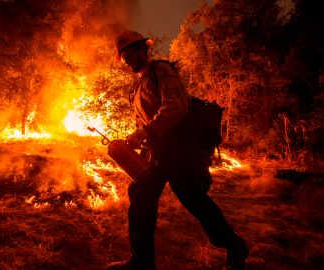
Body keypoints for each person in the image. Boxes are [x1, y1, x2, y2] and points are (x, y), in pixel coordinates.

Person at [106, 30, 249, 270]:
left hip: (179, 151)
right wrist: (137, 138)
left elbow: (176, 107)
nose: (128, 60)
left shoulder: (161, 71)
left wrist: (144, 133)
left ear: (143, 50)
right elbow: (145, 121)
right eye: (124, 56)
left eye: (130, 53)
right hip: (156, 153)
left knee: (195, 201)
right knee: (141, 198)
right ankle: (141, 262)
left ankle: (235, 245)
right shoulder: (137, 86)